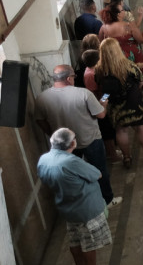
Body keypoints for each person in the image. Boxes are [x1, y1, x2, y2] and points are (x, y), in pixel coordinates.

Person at [36, 128, 120, 265]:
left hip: (67, 207)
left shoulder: (44, 159)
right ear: (71, 144)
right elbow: (97, 174)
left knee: (75, 241)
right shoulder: (70, 161)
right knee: (89, 245)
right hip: (85, 207)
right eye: (74, 138)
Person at [34, 65, 116, 206]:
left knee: (73, 174)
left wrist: (52, 133)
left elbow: (39, 120)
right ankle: (107, 199)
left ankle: (82, 200)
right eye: (73, 77)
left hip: (65, 145)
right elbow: (101, 114)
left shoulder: (42, 98)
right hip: (90, 140)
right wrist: (104, 104)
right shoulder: (83, 93)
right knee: (99, 170)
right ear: (68, 78)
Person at [95, 37, 143, 167]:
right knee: (141, 128)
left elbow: (101, 88)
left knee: (121, 131)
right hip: (134, 102)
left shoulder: (100, 70)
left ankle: (127, 158)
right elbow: (141, 81)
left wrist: (105, 99)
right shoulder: (129, 65)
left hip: (116, 105)